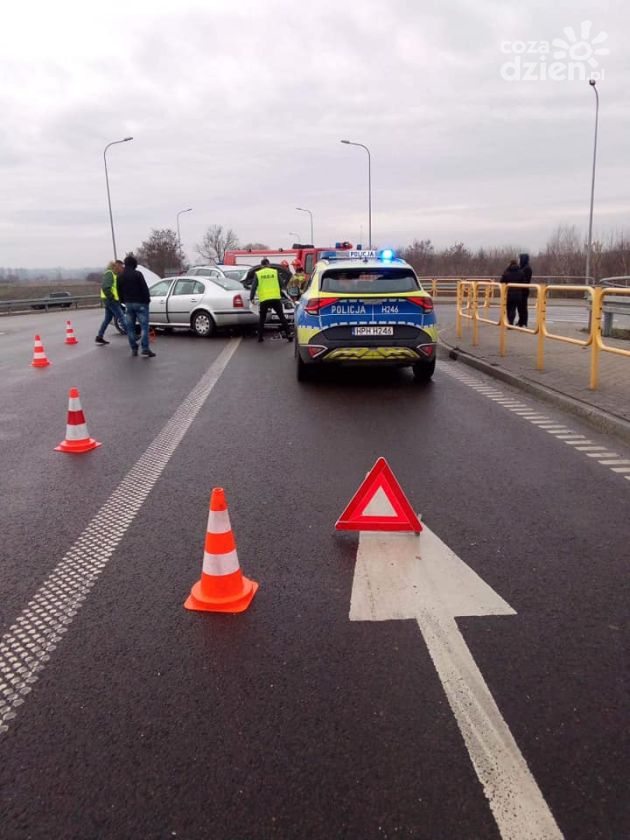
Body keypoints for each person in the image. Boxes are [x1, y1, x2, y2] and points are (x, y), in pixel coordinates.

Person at [117, 255, 155, 357]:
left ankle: (134, 349)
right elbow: (144, 289)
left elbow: (119, 291)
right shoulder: (138, 274)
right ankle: (145, 348)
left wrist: (123, 302)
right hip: (141, 303)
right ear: (134, 264)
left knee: (130, 328)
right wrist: (147, 300)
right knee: (144, 326)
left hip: (128, 304)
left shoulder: (120, 276)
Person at [249, 258, 293, 343]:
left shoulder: (258, 274)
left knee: (262, 318)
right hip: (275, 298)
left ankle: (260, 337)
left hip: (264, 299)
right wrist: (280, 292)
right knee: (281, 317)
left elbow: (253, 287)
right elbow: (282, 284)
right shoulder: (275, 272)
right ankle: (289, 335)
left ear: (261, 266)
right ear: (268, 264)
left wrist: (251, 298)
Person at [95, 259, 126, 344]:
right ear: (117, 266)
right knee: (122, 317)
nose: (122, 269)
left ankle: (99, 336)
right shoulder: (109, 274)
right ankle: (132, 335)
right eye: (121, 267)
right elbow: (106, 288)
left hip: (110, 300)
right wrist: (112, 298)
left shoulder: (113, 274)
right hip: (111, 300)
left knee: (107, 319)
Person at [500, 260, 524, 326]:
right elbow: (523, 282)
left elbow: (501, 281)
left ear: (510, 264)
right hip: (518, 293)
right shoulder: (521, 272)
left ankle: (510, 322)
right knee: (516, 308)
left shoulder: (506, 272)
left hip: (509, 293)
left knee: (509, 308)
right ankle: (515, 322)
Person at [517, 253, 533, 328]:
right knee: (520, 306)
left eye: (520, 259)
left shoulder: (527, 268)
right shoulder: (522, 267)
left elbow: (525, 279)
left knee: (523, 307)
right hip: (520, 290)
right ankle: (520, 321)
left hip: (524, 290)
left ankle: (524, 322)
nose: (519, 260)